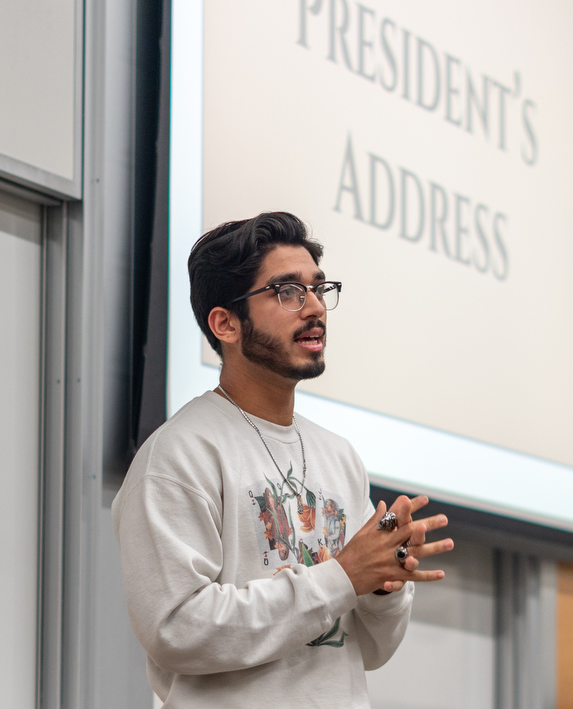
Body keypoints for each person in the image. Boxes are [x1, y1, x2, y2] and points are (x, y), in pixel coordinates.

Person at [112, 211, 453, 708]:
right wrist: (341, 577)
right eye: (287, 291)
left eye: (319, 289)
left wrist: (382, 587)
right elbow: (176, 629)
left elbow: (372, 649)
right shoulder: (180, 453)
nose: (314, 307)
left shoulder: (340, 457)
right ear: (225, 323)